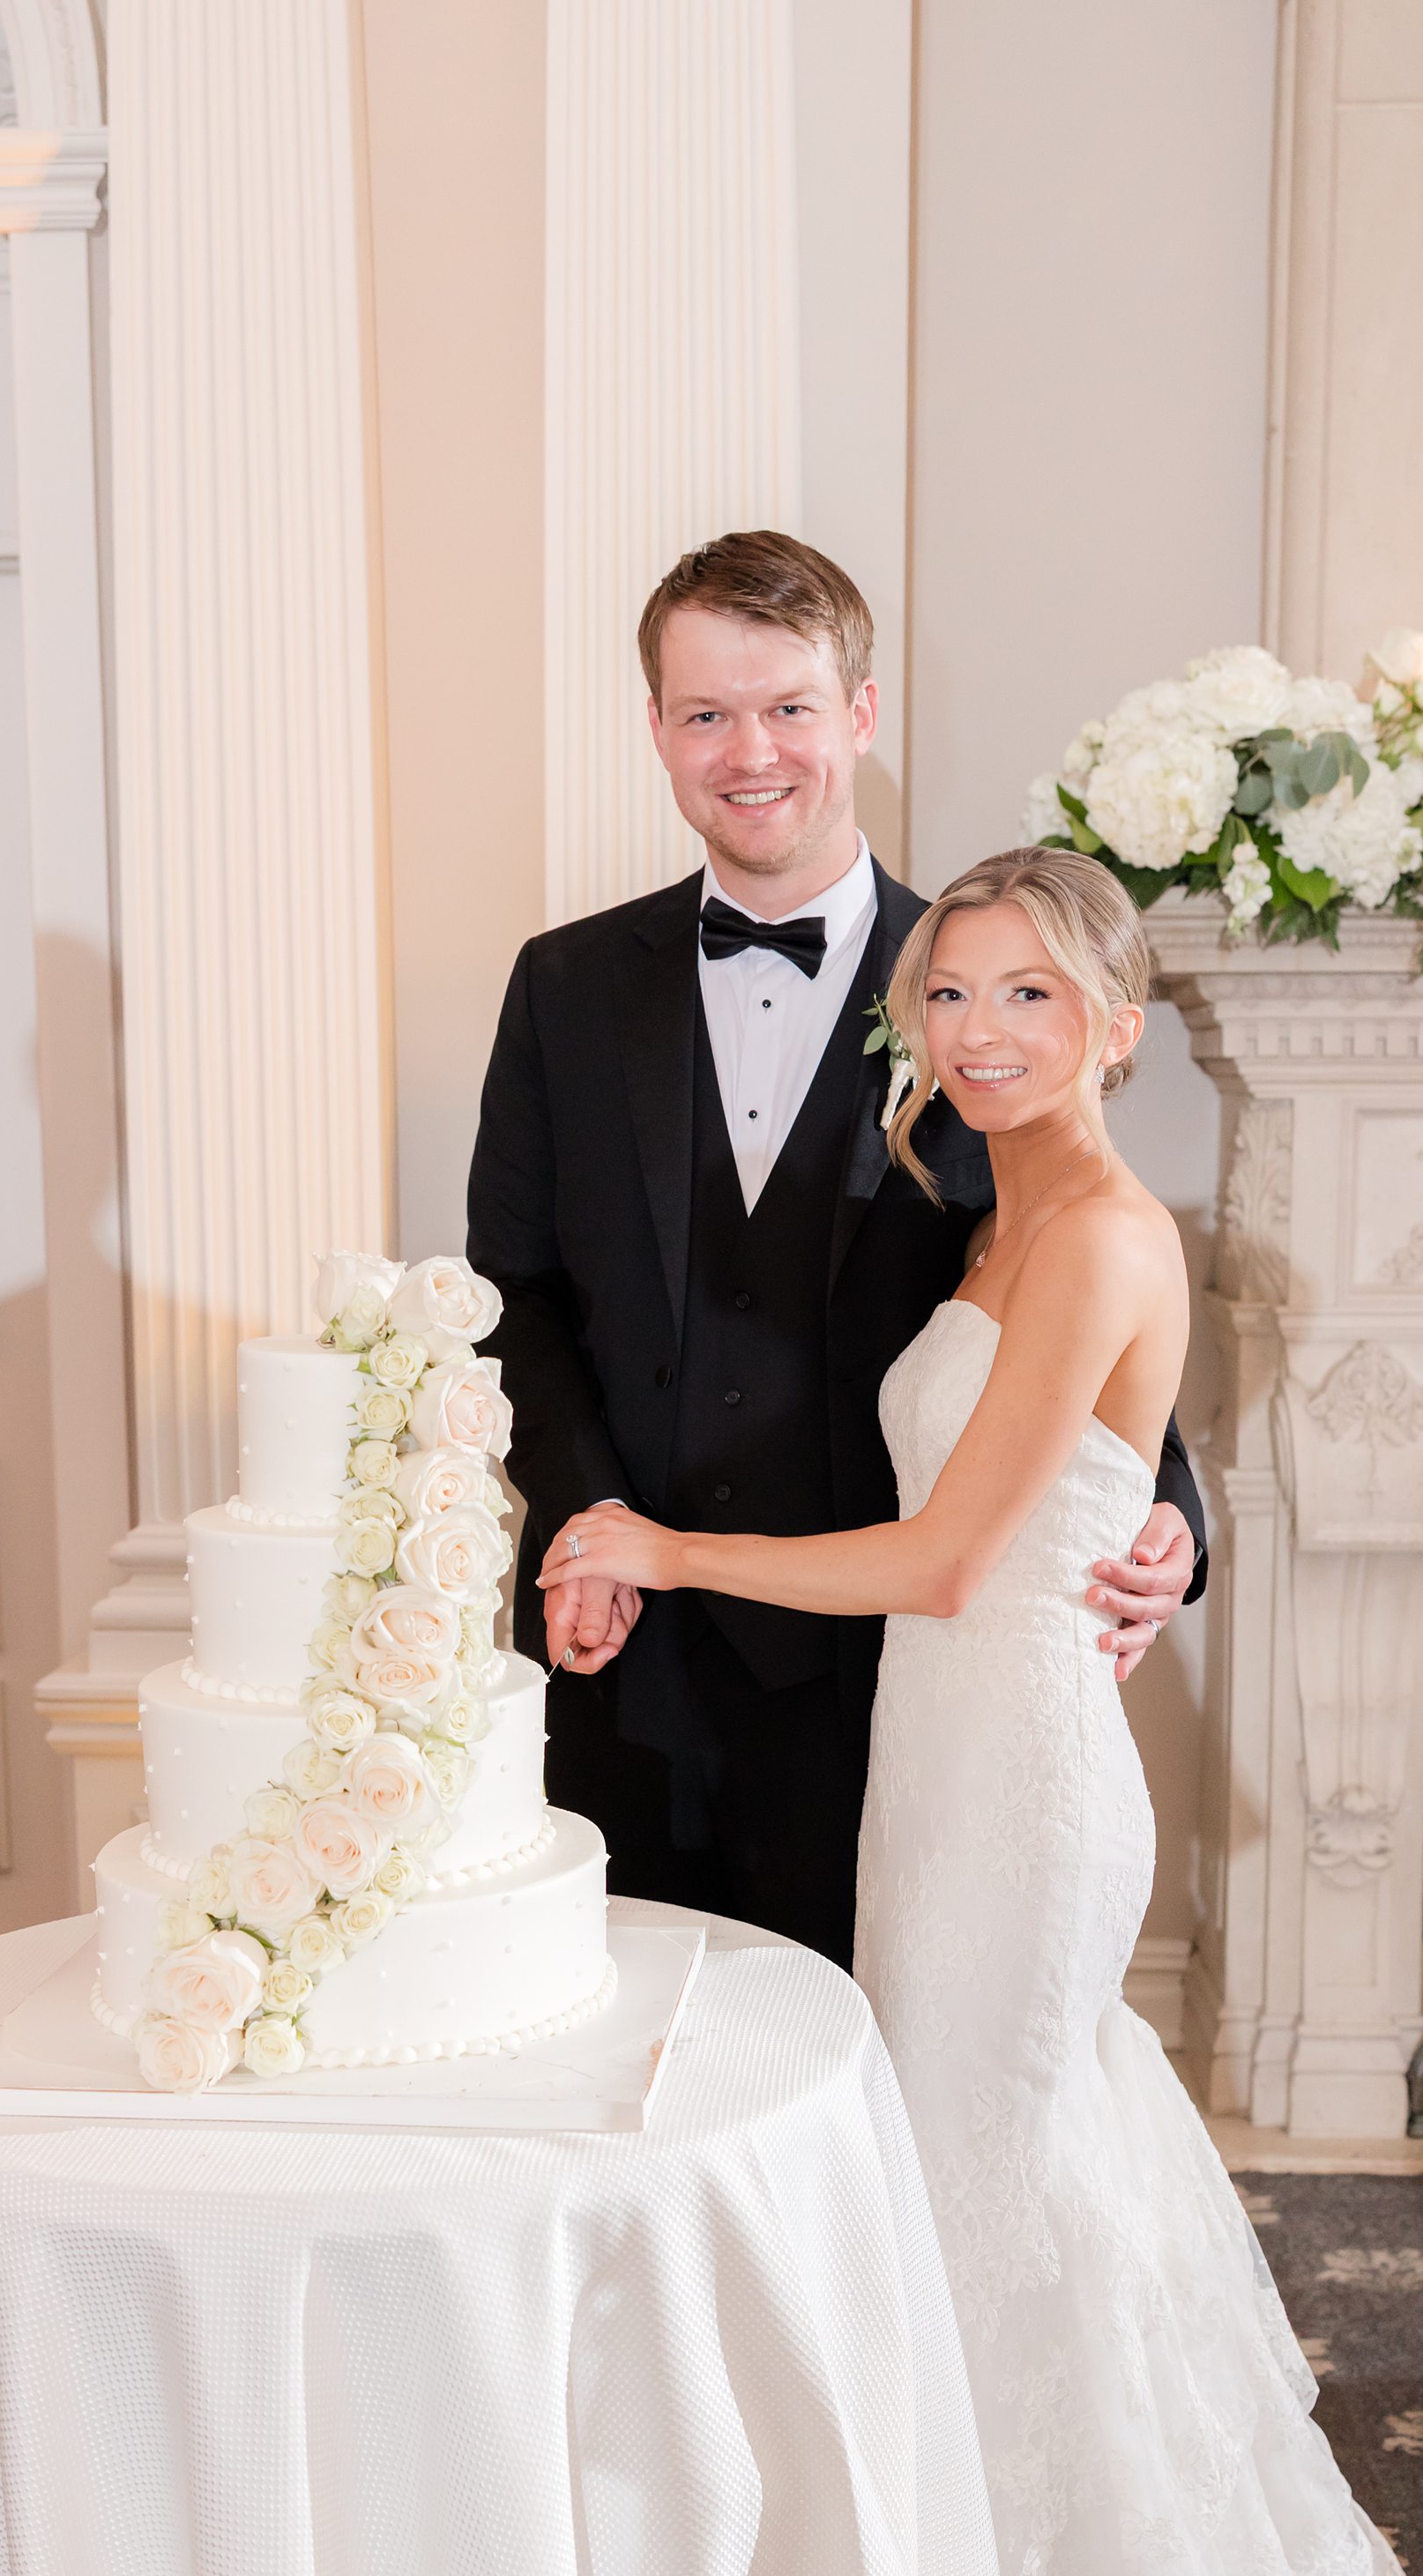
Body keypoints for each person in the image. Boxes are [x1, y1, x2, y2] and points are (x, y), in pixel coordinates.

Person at [542, 845, 1423, 2576]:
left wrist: (663, 1544)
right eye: (952, 996)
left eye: (1029, 998)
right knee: (1005, 2179)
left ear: (1118, 1027)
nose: (979, 1033)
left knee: (995, 2183)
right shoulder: (990, 1206)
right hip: (941, 1774)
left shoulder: (1099, 1235)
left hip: (1027, 1780)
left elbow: (960, 1555)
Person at [466, 532, 1204, 1965]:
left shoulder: (992, 987)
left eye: (790, 707)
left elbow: (1079, 1255)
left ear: (860, 716)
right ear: (661, 731)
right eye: (707, 713)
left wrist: (1167, 1501)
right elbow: (518, 1294)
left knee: (859, 2083)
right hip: (621, 1653)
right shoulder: (563, 987)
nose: (753, 752)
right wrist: (587, 1528)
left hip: (890, 1663)